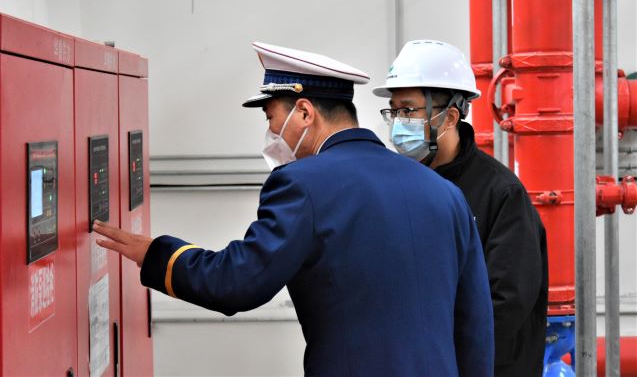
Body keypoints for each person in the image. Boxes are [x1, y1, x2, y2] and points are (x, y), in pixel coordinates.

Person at [93, 42, 494, 376]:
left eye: (272, 119)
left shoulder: (301, 185)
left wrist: (160, 255)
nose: (270, 134)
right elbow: (474, 321)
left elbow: (239, 282)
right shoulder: (444, 192)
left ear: (304, 112)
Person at [373, 39, 548, 377]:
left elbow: (506, 301)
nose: (397, 123)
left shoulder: (501, 193)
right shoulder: (397, 185)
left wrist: (443, 355)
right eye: (393, 111)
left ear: (450, 116)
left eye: (408, 110)